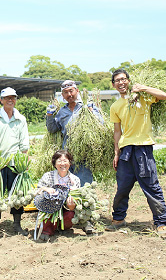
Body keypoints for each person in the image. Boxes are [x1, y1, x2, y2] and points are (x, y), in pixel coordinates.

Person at [107, 69, 166, 235]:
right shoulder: (115, 106)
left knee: (151, 186)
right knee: (122, 187)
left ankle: (161, 222)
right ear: (113, 85)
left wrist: (143, 88)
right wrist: (116, 152)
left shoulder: (143, 97)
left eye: (123, 79)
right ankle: (118, 218)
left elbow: (163, 95)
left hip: (143, 147)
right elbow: (117, 131)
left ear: (128, 81)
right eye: (117, 81)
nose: (121, 83)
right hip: (126, 149)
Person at [45, 79, 104, 234]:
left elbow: (102, 125)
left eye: (71, 91)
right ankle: (68, 219)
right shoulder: (62, 112)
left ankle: (87, 221)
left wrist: (93, 113)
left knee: (84, 188)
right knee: (67, 189)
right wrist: (49, 115)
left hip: (84, 156)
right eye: (65, 92)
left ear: (77, 91)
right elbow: (52, 130)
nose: (69, 94)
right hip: (68, 158)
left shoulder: (86, 107)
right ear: (62, 95)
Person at [0, 87, 30, 237]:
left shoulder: (20, 118)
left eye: (13, 98)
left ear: (15, 100)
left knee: (18, 194)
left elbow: (24, 143)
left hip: (15, 163)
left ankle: (17, 224)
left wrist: (24, 162)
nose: (10, 100)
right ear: (1, 100)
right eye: (7, 98)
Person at [36, 150, 80, 241]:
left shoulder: (75, 180)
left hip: (66, 209)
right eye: (59, 161)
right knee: (49, 209)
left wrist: (72, 206)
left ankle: (63, 228)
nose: (62, 164)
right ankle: (48, 230)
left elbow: (78, 200)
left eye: (65, 161)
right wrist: (46, 189)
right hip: (50, 208)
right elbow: (38, 190)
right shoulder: (48, 176)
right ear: (55, 163)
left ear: (70, 163)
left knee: (71, 215)